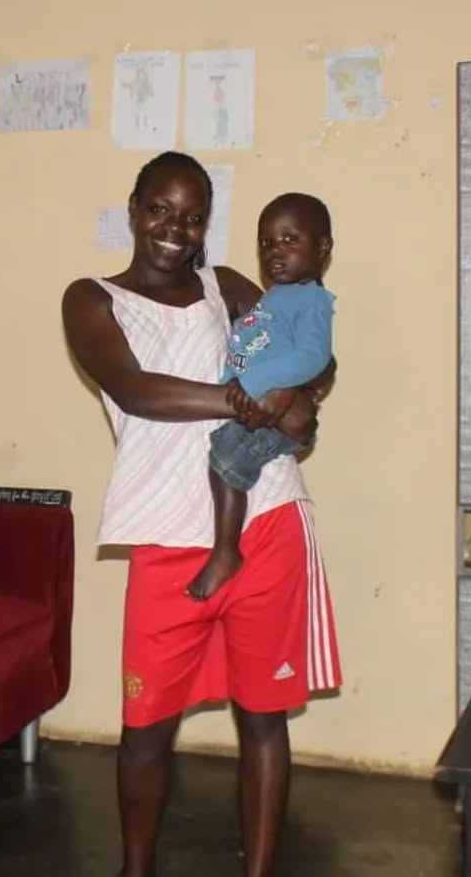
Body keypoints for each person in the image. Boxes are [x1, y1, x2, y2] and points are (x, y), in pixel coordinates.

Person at [61, 151, 342, 877]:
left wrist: (297, 395)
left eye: (191, 217)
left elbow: (314, 348)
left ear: (206, 225)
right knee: (144, 729)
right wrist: (254, 403)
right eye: (159, 209)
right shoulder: (92, 299)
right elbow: (135, 389)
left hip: (266, 518)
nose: (173, 228)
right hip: (165, 534)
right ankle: (137, 869)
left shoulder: (228, 286)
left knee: (263, 718)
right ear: (134, 209)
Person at [185, 193, 335, 602]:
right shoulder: (276, 297)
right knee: (222, 456)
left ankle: (226, 551)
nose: (275, 251)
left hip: (274, 414)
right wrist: (235, 378)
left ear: (323, 247)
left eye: (290, 240)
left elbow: (314, 357)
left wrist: (257, 385)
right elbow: (259, 344)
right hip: (256, 401)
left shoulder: (312, 299)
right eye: (266, 243)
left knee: (224, 462)